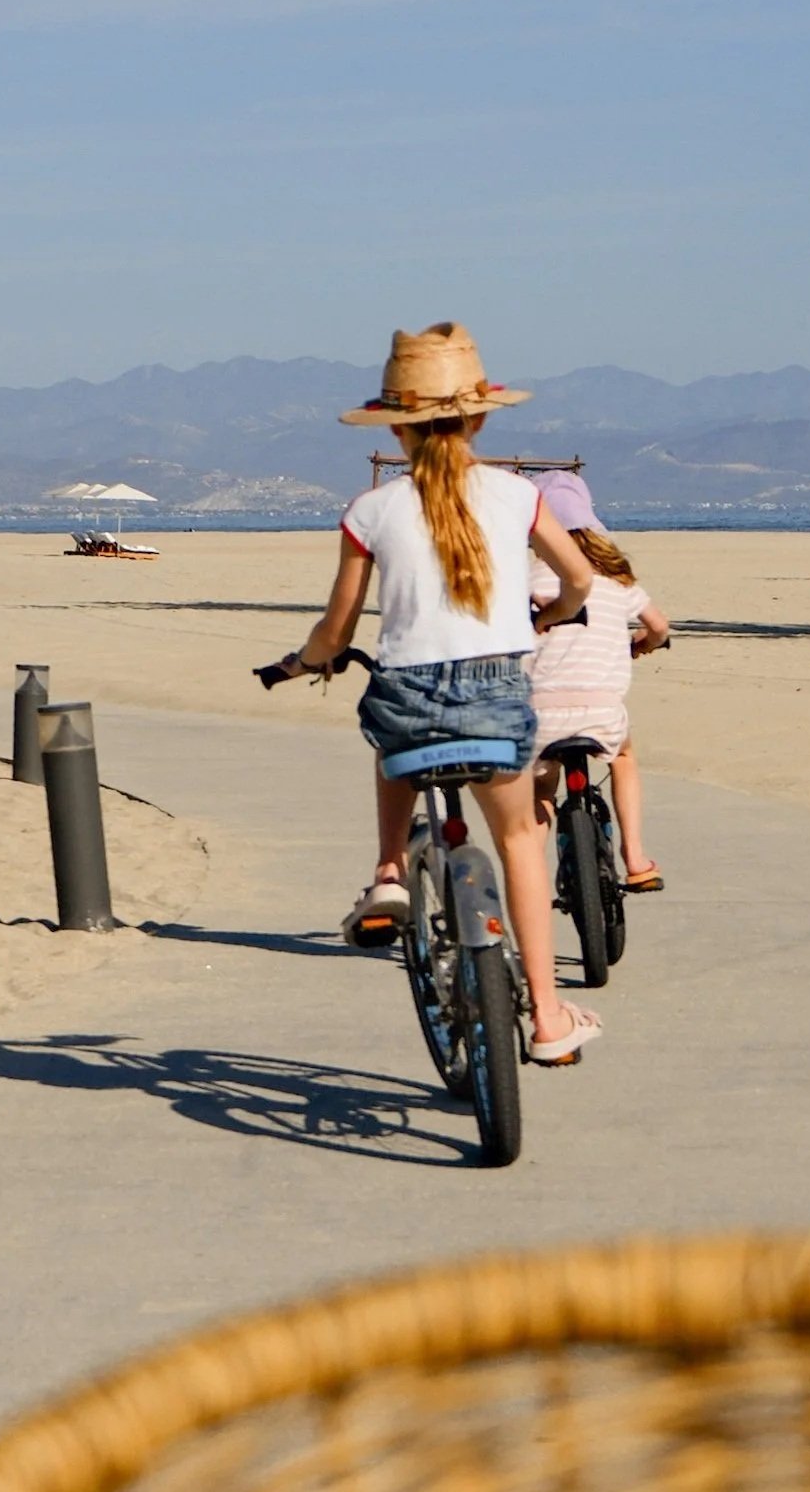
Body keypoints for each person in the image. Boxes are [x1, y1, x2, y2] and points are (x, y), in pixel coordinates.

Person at [270, 323, 604, 1065]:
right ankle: (547, 1017)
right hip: (496, 692)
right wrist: (546, 616)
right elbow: (580, 578)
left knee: (390, 729)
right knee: (519, 837)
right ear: (480, 417)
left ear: (396, 422)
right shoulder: (518, 496)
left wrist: (305, 662)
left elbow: (338, 626)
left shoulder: (369, 511)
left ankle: (388, 870)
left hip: (407, 695)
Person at [527, 471, 670, 892]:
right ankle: (636, 858)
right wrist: (641, 645)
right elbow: (659, 628)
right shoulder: (617, 579)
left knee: (541, 791)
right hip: (602, 713)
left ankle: (529, 876)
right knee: (623, 758)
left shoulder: (529, 578)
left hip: (540, 714)